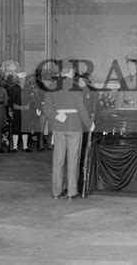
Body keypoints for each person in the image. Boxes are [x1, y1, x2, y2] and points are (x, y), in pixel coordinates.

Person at [43, 62, 94, 200]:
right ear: (71, 72)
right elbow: (81, 108)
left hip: (59, 127)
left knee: (58, 160)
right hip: (74, 125)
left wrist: (57, 115)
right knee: (73, 160)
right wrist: (89, 124)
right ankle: (71, 192)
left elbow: (46, 108)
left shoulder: (52, 86)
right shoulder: (75, 87)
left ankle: (56, 192)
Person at [8, 72, 33, 152]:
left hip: (26, 110)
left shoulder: (29, 88)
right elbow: (10, 101)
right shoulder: (13, 88)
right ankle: (15, 147)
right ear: (18, 79)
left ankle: (25, 147)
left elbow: (32, 100)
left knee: (25, 128)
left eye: (24, 79)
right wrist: (10, 110)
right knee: (16, 128)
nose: (22, 80)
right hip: (17, 110)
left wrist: (32, 109)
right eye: (21, 79)